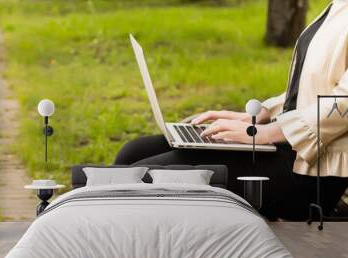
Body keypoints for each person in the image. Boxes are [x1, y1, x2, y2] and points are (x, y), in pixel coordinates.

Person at [114, 1, 348, 220]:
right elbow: (314, 87)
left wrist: (264, 133)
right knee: (133, 152)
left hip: (311, 172)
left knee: (150, 175)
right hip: (290, 145)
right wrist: (261, 115)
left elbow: (342, 104)